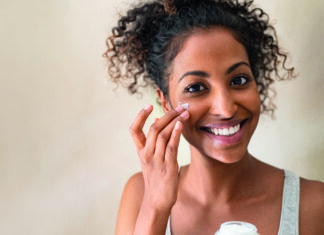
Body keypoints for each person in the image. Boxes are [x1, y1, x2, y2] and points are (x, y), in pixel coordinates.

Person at [104, 0, 324, 234]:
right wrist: (155, 208)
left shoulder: (313, 204)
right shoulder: (140, 194)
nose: (226, 109)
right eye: (196, 87)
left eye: (239, 80)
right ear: (166, 100)